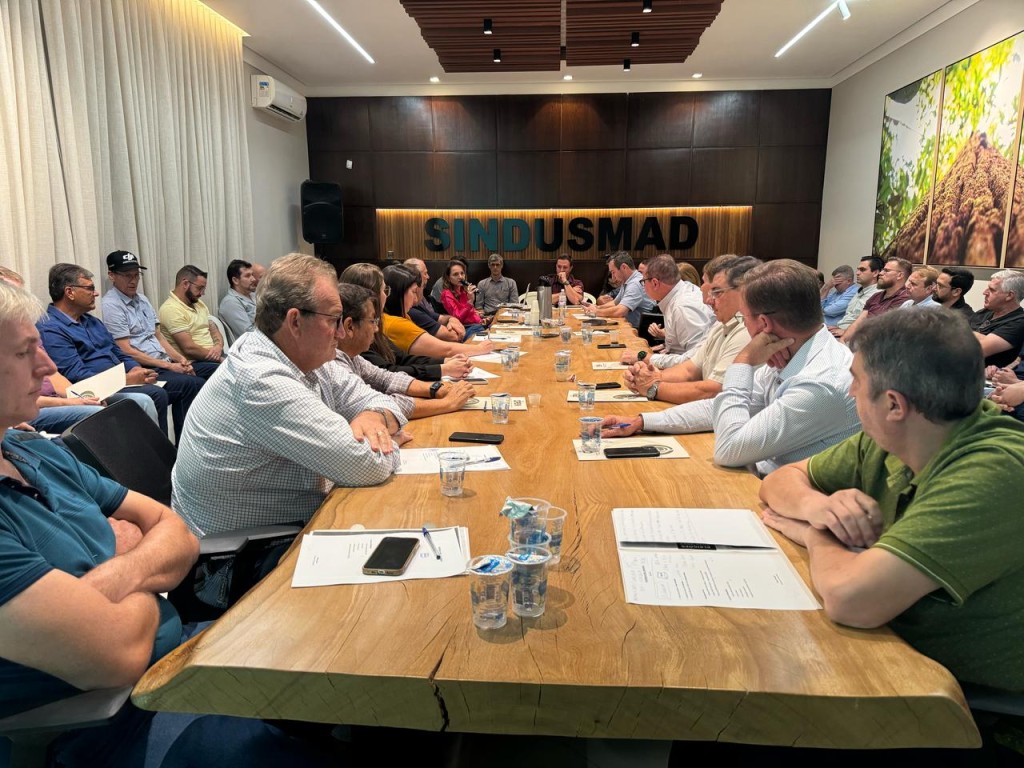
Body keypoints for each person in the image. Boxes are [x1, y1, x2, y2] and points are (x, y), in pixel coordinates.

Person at [760, 309, 1024, 691]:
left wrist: (817, 534)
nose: (851, 392)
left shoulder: (996, 470)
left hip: (959, 700)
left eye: (856, 380)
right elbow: (780, 481)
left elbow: (852, 601)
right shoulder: (896, 436)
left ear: (894, 405)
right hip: (890, 658)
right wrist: (818, 508)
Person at [172, 254, 407, 535]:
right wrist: (388, 439)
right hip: (251, 549)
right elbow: (368, 465)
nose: (341, 333)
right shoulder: (261, 379)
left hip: (294, 522)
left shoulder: (304, 355)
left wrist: (373, 417)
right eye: (334, 319)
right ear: (295, 321)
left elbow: (380, 400)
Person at [606, 260, 859, 477]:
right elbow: (717, 407)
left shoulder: (820, 383)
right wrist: (642, 421)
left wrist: (743, 361)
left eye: (744, 316)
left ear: (763, 324)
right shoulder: (790, 350)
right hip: (763, 481)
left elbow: (729, 449)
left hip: (788, 502)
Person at [39, 264, 188, 437]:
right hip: (96, 390)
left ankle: (178, 449)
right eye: (89, 288)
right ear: (70, 292)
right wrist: (125, 380)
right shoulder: (50, 328)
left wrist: (135, 368)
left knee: (188, 383)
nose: (96, 293)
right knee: (154, 394)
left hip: (122, 380)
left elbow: (118, 352)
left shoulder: (92, 322)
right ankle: (154, 452)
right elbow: (76, 375)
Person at [620, 255, 759, 405]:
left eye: (716, 291)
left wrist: (652, 385)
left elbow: (712, 391)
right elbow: (689, 369)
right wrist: (650, 378)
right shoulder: (721, 324)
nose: (707, 300)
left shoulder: (745, 329)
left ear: (743, 292)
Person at [100, 250, 207, 430]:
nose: (133, 281)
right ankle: (178, 444)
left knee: (210, 372)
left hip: (163, 362)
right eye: (127, 276)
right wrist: (169, 366)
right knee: (191, 384)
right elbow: (125, 349)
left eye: (136, 275)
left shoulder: (142, 300)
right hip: (144, 366)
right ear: (112, 276)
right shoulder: (111, 305)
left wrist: (180, 360)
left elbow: (158, 336)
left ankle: (192, 439)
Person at [335, 284, 473, 420]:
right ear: (349, 326)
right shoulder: (335, 365)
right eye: (372, 321)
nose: (376, 328)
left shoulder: (352, 356)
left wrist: (436, 388)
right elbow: (378, 403)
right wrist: (447, 403)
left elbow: (386, 378)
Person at [341, 263, 471, 381]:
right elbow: (387, 374)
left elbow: (401, 358)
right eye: (384, 290)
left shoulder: (384, 321)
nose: (386, 295)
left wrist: (444, 362)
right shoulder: (391, 322)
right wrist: (443, 369)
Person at [381, 265, 492, 359]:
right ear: (399, 294)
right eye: (414, 291)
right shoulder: (397, 322)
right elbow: (446, 349)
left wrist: (452, 320)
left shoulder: (402, 315)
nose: (415, 297)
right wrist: (480, 348)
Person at [619, 254, 712, 366]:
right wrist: (665, 347)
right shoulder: (680, 292)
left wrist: (645, 357)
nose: (643, 286)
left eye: (643, 282)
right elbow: (682, 347)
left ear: (655, 283)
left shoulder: (683, 308)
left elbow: (696, 361)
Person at [158, 265, 224, 372]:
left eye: (204, 289)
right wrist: (218, 358)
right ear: (185, 284)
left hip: (213, 357)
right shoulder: (171, 309)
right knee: (235, 371)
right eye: (199, 288)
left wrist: (218, 346)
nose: (202, 293)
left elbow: (213, 329)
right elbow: (189, 349)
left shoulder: (198, 303)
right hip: (194, 362)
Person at [841, 257, 911, 340]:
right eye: (883, 270)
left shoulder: (905, 299)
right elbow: (859, 322)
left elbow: (883, 328)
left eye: (886, 271)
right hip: (862, 340)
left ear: (900, 275)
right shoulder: (876, 296)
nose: (880, 273)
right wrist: (843, 340)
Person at [583, 252, 656, 328]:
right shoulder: (628, 281)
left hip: (638, 330)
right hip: (629, 326)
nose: (613, 277)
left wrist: (596, 312)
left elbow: (620, 311)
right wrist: (596, 307)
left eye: (613, 272)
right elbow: (615, 303)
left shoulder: (635, 283)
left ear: (624, 267)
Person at [969, 270, 1024, 368]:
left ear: (1009, 296)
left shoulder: (1019, 322)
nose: (984, 292)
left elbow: (977, 350)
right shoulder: (984, 312)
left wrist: (960, 332)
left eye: (992, 290)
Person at [403, 258, 466, 342]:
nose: (428, 277)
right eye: (425, 273)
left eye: (462, 273)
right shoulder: (411, 310)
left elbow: (438, 317)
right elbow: (454, 334)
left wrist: (451, 320)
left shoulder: (419, 303)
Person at [829, 256, 881, 338]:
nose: (857, 273)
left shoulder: (878, 294)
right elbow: (850, 317)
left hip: (855, 337)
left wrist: (846, 332)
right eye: (858, 269)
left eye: (862, 270)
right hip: (840, 330)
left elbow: (872, 325)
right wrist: (838, 327)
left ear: (875, 273)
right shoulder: (859, 291)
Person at [439, 259, 486, 338]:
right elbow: (458, 318)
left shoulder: (463, 290)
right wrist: (470, 302)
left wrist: (479, 316)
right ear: (448, 278)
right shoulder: (446, 294)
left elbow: (469, 312)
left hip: (476, 324)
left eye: (462, 273)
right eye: (455, 274)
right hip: (466, 327)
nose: (460, 277)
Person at [218, 258, 257, 340]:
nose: (253, 279)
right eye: (247, 276)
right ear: (235, 280)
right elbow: (248, 333)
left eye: (252, 275)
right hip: (251, 344)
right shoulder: (230, 303)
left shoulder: (254, 295)